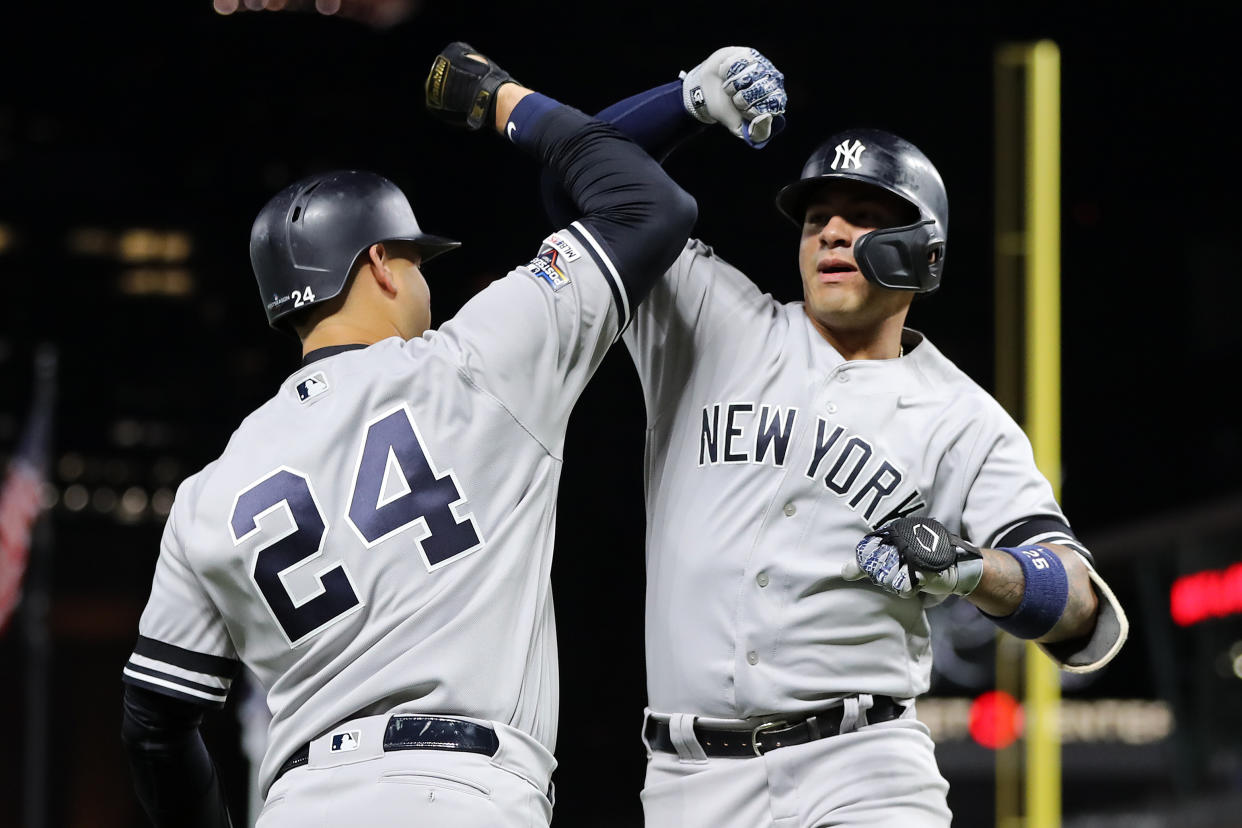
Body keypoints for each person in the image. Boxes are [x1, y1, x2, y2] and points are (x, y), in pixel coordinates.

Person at [117, 41, 706, 828]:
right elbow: (645, 204)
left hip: (297, 803)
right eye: (417, 261)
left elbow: (155, 726)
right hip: (460, 794)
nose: (426, 278)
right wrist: (496, 97)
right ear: (383, 267)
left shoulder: (207, 494)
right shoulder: (473, 363)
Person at [541, 48, 1130, 827]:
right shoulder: (716, 323)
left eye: (864, 218)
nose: (832, 233)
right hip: (690, 783)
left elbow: (1082, 611)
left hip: (862, 769)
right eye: (819, 218)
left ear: (924, 252)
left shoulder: (962, 417)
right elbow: (580, 178)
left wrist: (966, 568)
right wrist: (687, 101)